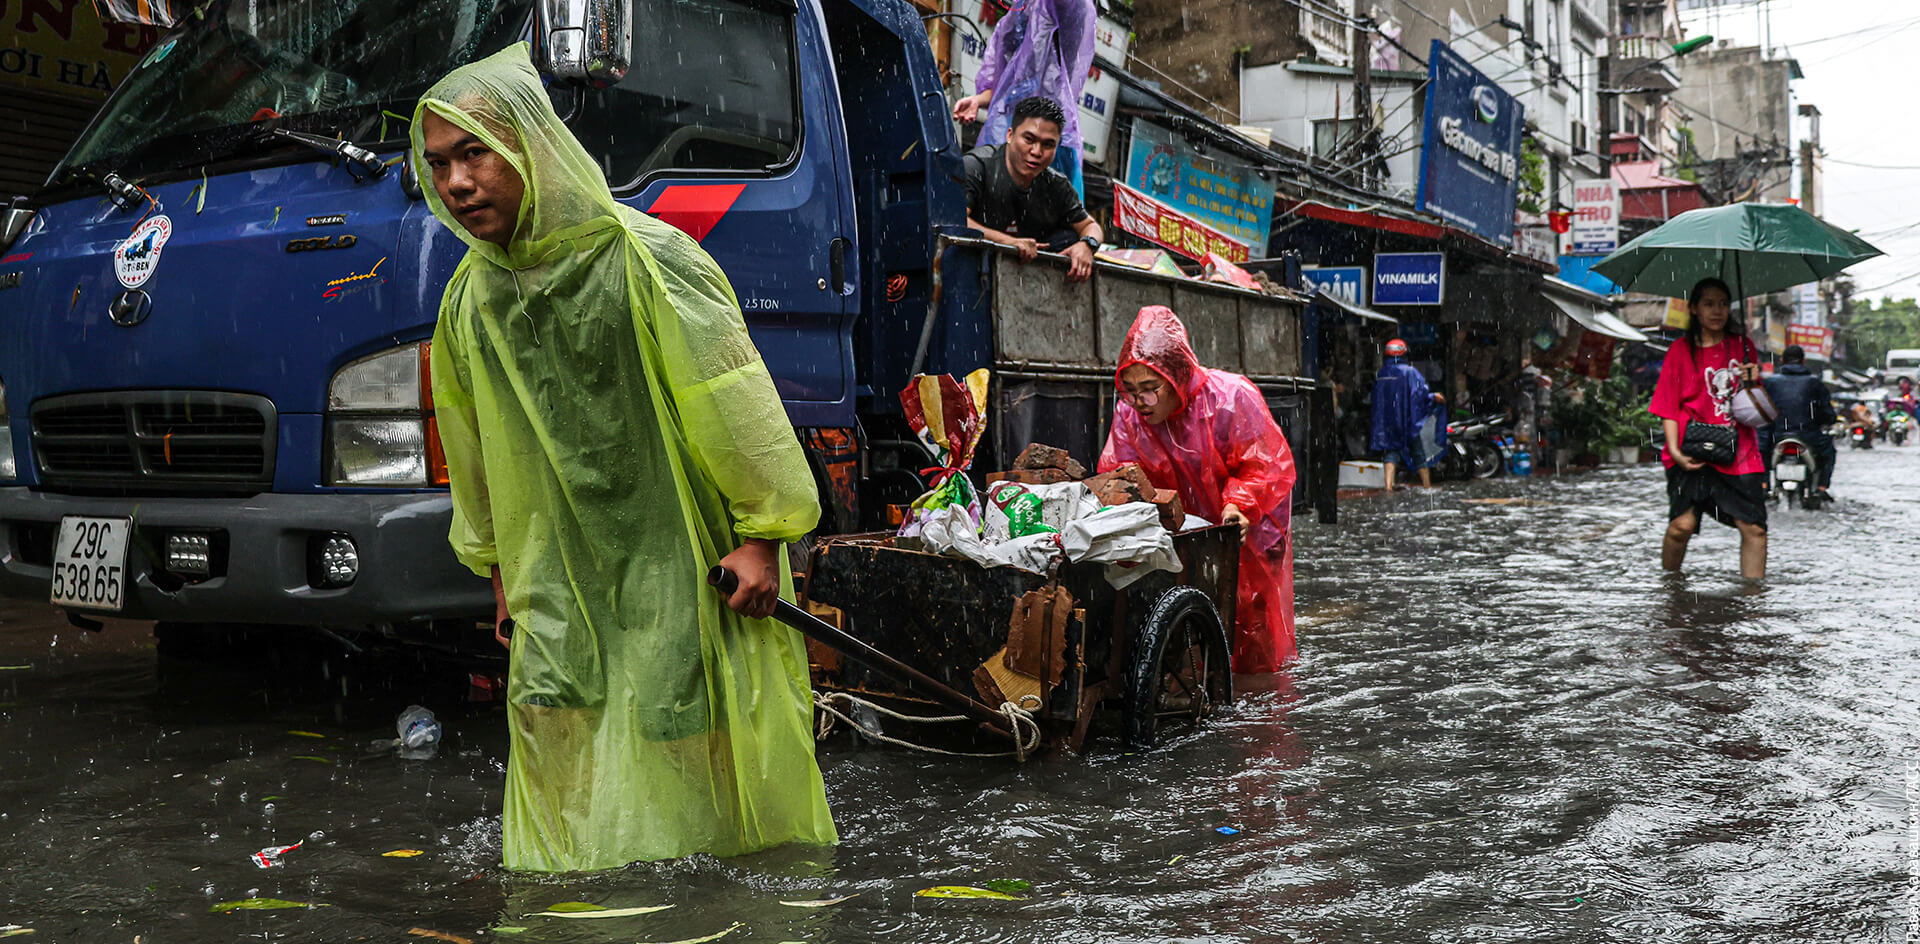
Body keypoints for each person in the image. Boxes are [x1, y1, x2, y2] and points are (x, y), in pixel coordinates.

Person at [413, 44, 835, 871]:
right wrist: (498, 568)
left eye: (475, 153)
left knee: (684, 719)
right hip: (551, 572)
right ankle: (570, 892)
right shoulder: (471, 298)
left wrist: (762, 535)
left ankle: (709, 896)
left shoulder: (646, 262)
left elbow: (733, 405)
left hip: (672, 552)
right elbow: (472, 449)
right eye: (439, 165)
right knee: (554, 716)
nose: (457, 184)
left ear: (531, 148)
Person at [1101, 306, 1299, 672]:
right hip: (1183, 537)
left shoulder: (1231, 398)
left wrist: (1240, 505)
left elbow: (1266, 465)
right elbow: (1119, 475)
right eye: (1129, 390)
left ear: (1178, 376)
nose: (1138, 402)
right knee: (1184, 634)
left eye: (1149, 389)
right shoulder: (1130, 416)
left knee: (1252, 633)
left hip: (1246, 533)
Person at [1649, 277, 1767, 579]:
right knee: (1681, 527)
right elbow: (1668, 405)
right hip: (1692, 446)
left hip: (1738, 450)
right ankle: (1670, 586)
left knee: (1754, 529)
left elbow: (1757, 410)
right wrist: (1674, 451)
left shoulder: (1743, 348)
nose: (1717, 311)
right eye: (1709, 304)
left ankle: (1753, 603)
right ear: (1694, 309)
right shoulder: (1679, 351)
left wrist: (1752, 380)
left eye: (1724, 304)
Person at [952, 0, 1097, 195]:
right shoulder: (1017, 15)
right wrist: (978, 100)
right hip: (1002, 139)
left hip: (1042, 142)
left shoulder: (1068, 10)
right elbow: (1004, 86)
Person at [962, 96, 1103, 282]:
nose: (1037, 152)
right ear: (1010, 135)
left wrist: (1087, 245)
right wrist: (1008, 243)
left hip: (1029, 287)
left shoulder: (1056, 185)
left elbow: (1091, 226)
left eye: (1048, 144)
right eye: (1029, 139)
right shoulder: (977, 166)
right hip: (971, 273)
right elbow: (957, 220)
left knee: (1070, 238)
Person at [1760, 344, 1836, 497]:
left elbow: (1761, 413)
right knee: (1829, 452)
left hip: (1776, 435)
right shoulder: (1815, 383)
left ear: (1782, 360)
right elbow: (1827, 412)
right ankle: (1821, 488)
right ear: (1803, 361)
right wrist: (1827, 421)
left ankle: (1763, 485)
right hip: (1808, 435)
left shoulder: (1769, 383)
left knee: (1760, 451)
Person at [1369, 338, 1446, 490]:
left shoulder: (1382, 373)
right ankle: (1427, 486)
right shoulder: (1410, 372)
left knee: (1391, 452)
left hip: (1388, 422)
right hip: (1407, 420)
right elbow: (1419, 394)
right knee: (1418, 453)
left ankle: (1388, 486)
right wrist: (1433, 397)